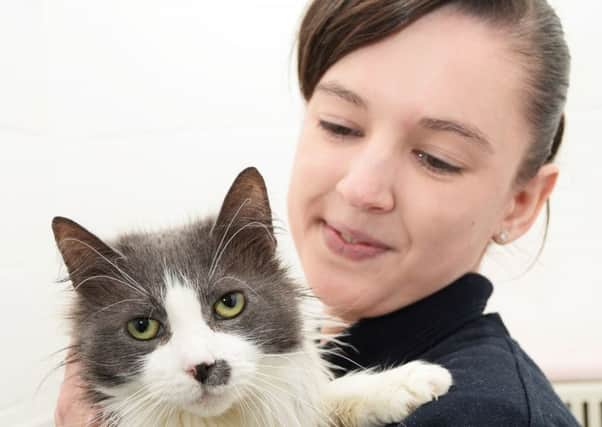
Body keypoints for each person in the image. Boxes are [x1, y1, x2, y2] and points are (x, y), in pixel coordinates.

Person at [56, 0, 579, 425]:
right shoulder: (322, 365)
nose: (361, 189)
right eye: (340, 126)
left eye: (436, 158)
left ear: (520, 202)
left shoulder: (480, 412)